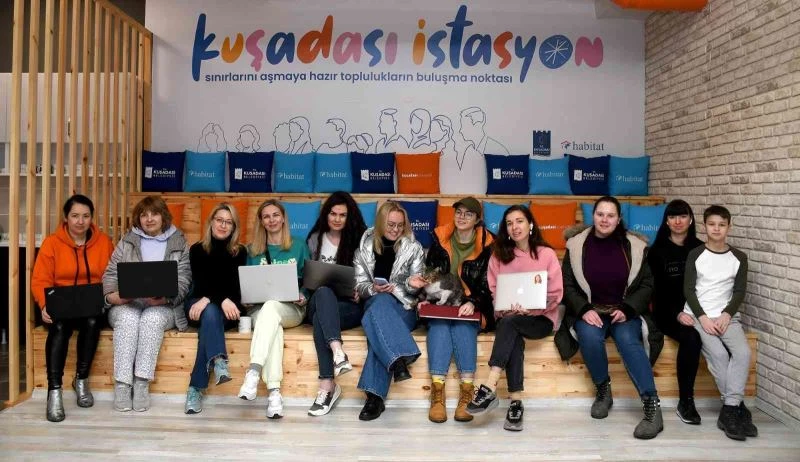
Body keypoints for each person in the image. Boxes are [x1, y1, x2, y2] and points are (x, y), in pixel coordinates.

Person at [560, 196, 663, 439]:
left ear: (619, 219)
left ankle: (652, 406)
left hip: (623, 311)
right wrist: (584, 309)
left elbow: (647, 284)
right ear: (593, 216)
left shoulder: (635, 246)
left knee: (628, 340)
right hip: (590, 310)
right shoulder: (576, 245)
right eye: (600, 214)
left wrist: (628, 308)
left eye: (610, 215)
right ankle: (603, 390)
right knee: (589, 336)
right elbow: (568, 284)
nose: (605, 219)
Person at [465, 205, 563, 432]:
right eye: (509, 223)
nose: (515, 227)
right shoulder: (498, 256)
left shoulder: (546, 254)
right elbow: (494, 292)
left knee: (511, 326)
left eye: (519, 221)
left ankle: (489, 386)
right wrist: (506, 309)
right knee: (511, 328)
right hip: (508, 317)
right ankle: (516, 402)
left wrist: (532, 309)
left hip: (540, 319)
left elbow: (556, 293)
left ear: (530, 225)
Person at [103, 195, 192, 413]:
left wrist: (166, 298)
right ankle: (123, 385)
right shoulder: (127, 241)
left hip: (164, 306)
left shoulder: (179, 242)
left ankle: (141, 383)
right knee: (128, 318)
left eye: (154, 214)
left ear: (164, 216)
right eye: (144, 215)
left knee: (151, 319)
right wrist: (115, 297)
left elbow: (184, 280)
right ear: (138, 219)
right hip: (127, 303)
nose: (149, 219)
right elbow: (110, 275)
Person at [31, 194, 114, 422]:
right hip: (61, 305)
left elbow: (111, 275)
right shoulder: (52, 243)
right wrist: (44, 304)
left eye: (86, 216)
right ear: (66, 218)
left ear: (91, 218)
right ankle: (54, 391)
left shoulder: (104, 242)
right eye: (75, 216)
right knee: (59, 328)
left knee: (93, 322)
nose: (80, 221)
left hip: (91, 305)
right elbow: (40, 279)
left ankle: (81, 379)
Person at [684, 205, 757, 441]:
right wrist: (702, 317)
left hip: (728, 317)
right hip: (700, 315)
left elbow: (739, 291)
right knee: (719, 355)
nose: (716, 229)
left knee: (743, 353)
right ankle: (736, 408)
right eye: (712, 224)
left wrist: (727, 314)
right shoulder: (695, 254)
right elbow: (689, 290)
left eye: (722, 225)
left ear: (729, 227)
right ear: (704, 226)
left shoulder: (739, 257)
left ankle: (729, 409)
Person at [423, 197, 495, 423]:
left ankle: (467, 392)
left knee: (464, 325)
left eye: (468, 214)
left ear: (477, 220)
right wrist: (424, 298)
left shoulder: (489, 245)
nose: (462, 217)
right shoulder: (439, 239)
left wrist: (473, 301)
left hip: (473, 304)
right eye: (459, 212)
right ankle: (437, 392)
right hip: (442, 303)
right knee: (439, 324)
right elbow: (429, 275)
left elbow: (490, 283)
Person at [237, 199, 310, 419]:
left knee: (271, 310)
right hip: (259, 310)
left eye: (275, 215)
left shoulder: (299, 246)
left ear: (283, 218)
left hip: (292, 310)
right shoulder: (252, 250)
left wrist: (304, 296)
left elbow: (310, 281)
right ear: (261, 221)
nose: (271, 220)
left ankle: (253, 372)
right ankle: (274, 394)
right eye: (266, 216)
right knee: (272, 325)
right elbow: (245, 284)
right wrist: (245, 299)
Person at [354, 201, 425, 421]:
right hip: (375, 303)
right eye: (391, 225)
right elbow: (359, 285)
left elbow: (416, 290)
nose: (396, 230)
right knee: (380, 303)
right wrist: (372, 288)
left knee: (377, 327)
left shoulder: (414, 248)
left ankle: (374, 397)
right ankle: (399, 360)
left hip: (404, 307)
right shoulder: (363, 248)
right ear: (380, 223)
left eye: (400, 225)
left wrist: (412, 284)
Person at [305, 192, 367, 416]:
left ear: (350, 217)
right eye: (333, 213)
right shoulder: (315, 239)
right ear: (326, 214)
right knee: (323, 292)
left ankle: (327, 386)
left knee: (321, 321)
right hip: (317, 300)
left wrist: (360, 291)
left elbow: (368, 277)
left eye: (343, 215)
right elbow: (307, 276)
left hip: (347, 307)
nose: (337, 219)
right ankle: (338, 351)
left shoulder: (360, 241)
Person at [183, 203, 247, 414]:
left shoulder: (240, 252)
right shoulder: (197, 250)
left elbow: (235, 288)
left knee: (210, 313)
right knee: (209, 311)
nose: (223, 225)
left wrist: (212, 299)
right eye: (219, 220)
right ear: (211, 222)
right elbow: (202, 283)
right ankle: (219, 361)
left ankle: (195, 388)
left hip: (226, 310)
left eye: (229, 222)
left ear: (234, 227)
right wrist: (214, 298)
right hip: (197, 306)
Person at [648, 200, 704, 425]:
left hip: (697, 310)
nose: (678, 221)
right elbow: (656, 292)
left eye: (682, 216)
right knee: (691, 338)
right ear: (666, 221)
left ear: (690, 220)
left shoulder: (701, 249)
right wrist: (678, 314)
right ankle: (686, 401)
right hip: (667, 312)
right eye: (672, 217)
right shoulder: (657, 251)